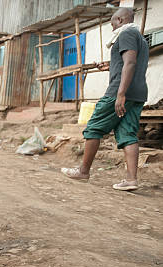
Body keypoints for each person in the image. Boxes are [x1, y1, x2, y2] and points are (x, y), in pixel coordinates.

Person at [62, 8, 148, 191]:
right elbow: (129, 62)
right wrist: (110, 66)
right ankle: (131, 179)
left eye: (112, 24)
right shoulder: (140, 37)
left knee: (94, 127)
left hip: (120, 91)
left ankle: (83, 171)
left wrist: (120, 94)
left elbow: (131, 63)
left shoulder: (126, 33)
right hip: (138, 93)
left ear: (119, 19)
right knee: (128, 134)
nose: (112, 28)